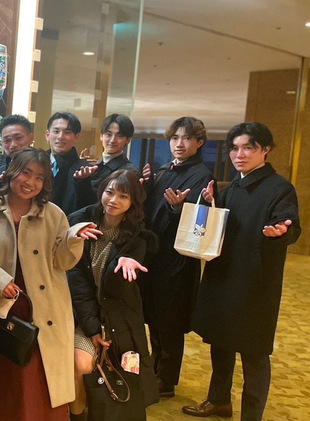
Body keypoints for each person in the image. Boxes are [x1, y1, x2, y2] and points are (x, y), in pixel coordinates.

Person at [183, 122, 300, 420]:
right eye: (235, 148)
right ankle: (219, 400)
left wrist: (281, 231)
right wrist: (211, 202)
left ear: (265, 149)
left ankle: (252, 415)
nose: (240, 154)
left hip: (255, 282)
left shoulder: (280, 188)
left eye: (248, 148)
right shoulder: (232, 187)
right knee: (220, 340)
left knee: (254, 352)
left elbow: (289, 224)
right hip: (223, 276)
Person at [0, 147, 102, 420]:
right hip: (4, 307)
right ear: (12, 172)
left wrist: (73, 238)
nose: (31, 182)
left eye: (39, 177)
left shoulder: (54, 214)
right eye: (25, 173)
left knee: (42, 380)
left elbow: (63, 261)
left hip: (45, 310)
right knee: (6, 379)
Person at [67, 170, 158, 420]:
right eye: (109, 192)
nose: (114, 200)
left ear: (133, 202)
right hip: (82, 314)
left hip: (119, 317)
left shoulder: (137, 237)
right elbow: (77, 285)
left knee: (125, 371)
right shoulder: (82, 224)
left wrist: (121, 265)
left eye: (123, 196)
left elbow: (118, 291)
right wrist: (92, 329)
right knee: (80, 365)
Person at [141, 116, 215, 398]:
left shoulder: (202, 176)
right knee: (154, 316)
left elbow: (200, 221)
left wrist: (177, 209)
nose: (179, 144)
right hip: (154, 255)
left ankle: (167, 379)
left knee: (170, 320)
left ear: (199, 142)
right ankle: (155, 370)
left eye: (186, 138)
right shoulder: (164, 171)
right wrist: (146, 187)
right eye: (175, 138)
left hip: (178, 259)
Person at [73, 114, 142, 195]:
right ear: (101, 136)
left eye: (119, 136)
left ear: (128, 140)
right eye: (109, 134)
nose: (112, 140)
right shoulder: (93, 166)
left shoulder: (130, 172)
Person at [45, 112, 95, 214]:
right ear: (48, 135)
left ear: (76, 137)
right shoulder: (36, 164)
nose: (60, 137)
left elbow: (89, 208)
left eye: (67, 132)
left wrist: (82, 183)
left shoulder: (85, 171)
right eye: (56, 131)